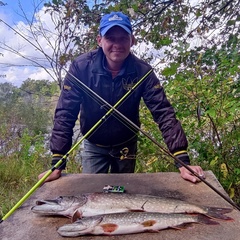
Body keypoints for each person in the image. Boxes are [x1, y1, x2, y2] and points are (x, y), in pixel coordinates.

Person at [39, 12, 205, 184]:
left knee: (124, 191)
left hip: (126, 144)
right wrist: (57, 160)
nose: (117, 44)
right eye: (110, 38)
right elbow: (66, 112)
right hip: (93, 144)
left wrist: (183, 160)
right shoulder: (80, 68)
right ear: (99, 40)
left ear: (132, 40)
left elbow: (163, 113)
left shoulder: (143, 72)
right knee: (91, 193)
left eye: (123, 38)